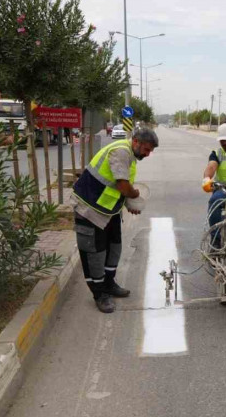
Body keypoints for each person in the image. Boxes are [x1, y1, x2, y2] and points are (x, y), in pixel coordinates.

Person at [71, 128, 159, 313]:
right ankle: (99, 294)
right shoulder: (121, 151)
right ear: (136, 141)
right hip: (90, 208)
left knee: (114, 248)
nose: (148, 154)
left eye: (150, 151)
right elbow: (123, 185)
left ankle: (109, 284)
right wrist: (134, 195)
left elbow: (117, 186)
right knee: (95, 254)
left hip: (108, 210)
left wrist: (128, 204)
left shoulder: (131, 156)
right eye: (146, 149)